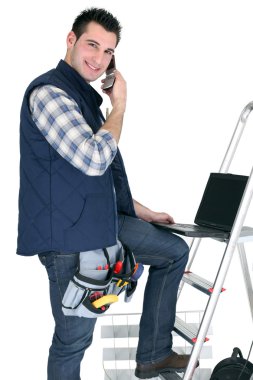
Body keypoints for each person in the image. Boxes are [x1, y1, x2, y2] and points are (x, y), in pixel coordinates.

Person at [17, 7, 191, 380]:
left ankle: (154, 355)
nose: (99, 59)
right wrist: (121, 104)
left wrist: (143, 212)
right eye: (92, 45)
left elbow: (100, 181)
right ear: (71, 40)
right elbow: (95, 159)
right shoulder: (50, 94)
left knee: (174, 251)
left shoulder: (84, 101)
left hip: (100, 223)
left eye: (109, 52)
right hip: (69, 239)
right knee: (73, 342)